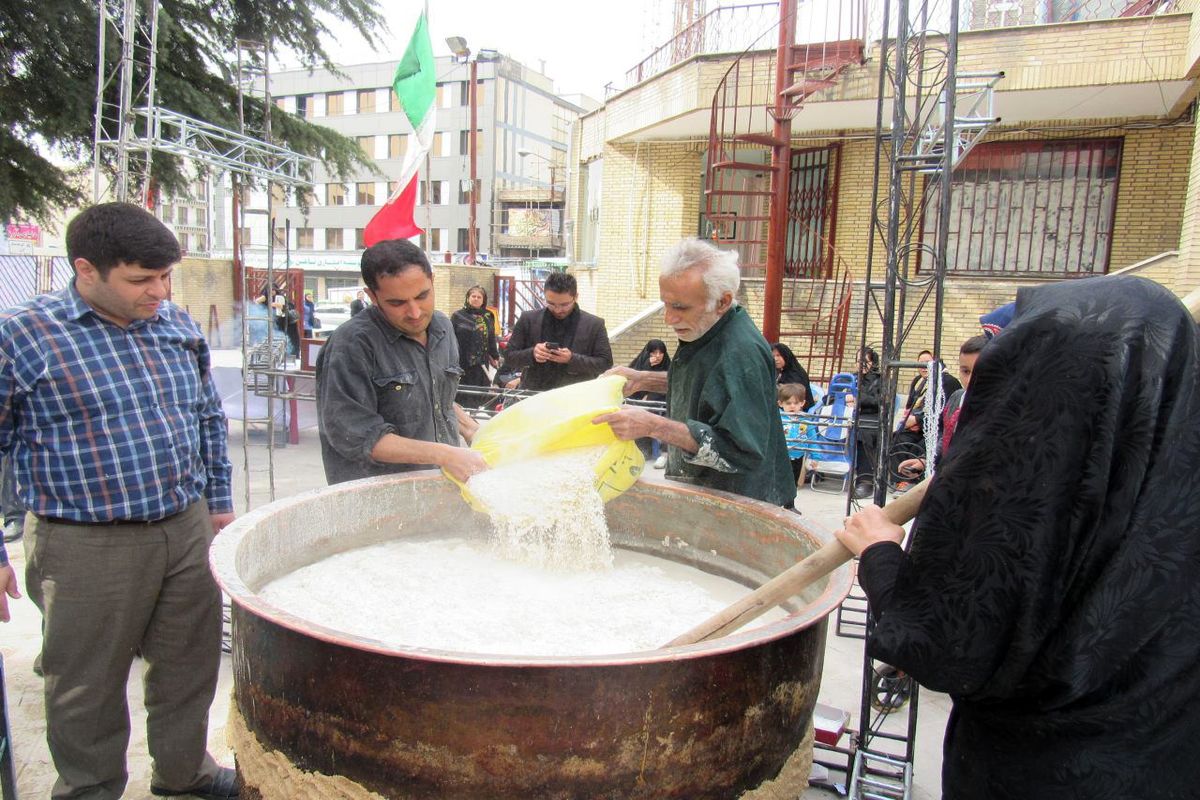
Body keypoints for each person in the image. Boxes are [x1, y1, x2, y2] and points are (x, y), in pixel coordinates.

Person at [834, 276, 1200, 799]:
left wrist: (879, 554)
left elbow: (944, 644)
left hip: (1046, 769)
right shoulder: (1166, 464)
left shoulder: (1027, 489)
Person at [0, 202, 238, 800]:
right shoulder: (23, 337)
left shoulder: (174, 324)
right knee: (86, 683)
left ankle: (186, 775)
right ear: (86, 269)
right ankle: (90, 788)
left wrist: (217, 502)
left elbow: (207, 415)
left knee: (188, 664)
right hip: (84, 543)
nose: (158, 290)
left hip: (183, 528)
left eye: (165, 277)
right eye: (140, 280)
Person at [594, 238, 795, 507]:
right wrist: (643, 379)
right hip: (709, 494)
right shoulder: (708, 329)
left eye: (680, 307)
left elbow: (741, 451)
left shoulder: (741, 354)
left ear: (722, 301)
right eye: (665, 304)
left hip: (745, 505)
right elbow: (710, 387)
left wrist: (654, 425)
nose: (668, 318)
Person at [315, 239, 485, 485]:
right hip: (377, 503)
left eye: (422, 296)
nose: (415, 313)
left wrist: (472, 430)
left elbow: (437, 399)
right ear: (372, 296)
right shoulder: (351, 345)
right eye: (397, 303)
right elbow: (355, 435)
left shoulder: (443, 328)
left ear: (432, 281)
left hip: (439, 493)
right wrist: (445, 454)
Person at [501, 271, 613, 391]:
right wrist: (532, 353)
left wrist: (572, 359)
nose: (558, 310)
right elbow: (508, 356)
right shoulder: (528, 319)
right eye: (551, 303)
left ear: (576, 297)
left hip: (576, 397)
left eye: (564, 304)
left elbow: (605, 363)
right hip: (534, 396)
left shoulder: (594, 324)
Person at [897, 334, 987, 479]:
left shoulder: (1003, 407)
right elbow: (946, 435)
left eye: (979, 370)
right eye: (965, 371)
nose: (971, 379)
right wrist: (926, 460)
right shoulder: (957, 398)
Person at [450, 285, 500, 407]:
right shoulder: (458, 316)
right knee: (463, 394)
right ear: (468, 298)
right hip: (462, 361)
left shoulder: (488, 316)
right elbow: (451, 338)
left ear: (483, 300)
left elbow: (491, 337)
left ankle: (476, 418)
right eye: (473, 296)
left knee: (479, 393)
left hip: (481, 363)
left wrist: (495, 356)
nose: (476, 299)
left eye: (479, 297)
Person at [627, 339, 671, 467]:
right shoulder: (641, 365)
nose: (657, 356)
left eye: (660, 352)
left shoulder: (668, 366)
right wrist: (648, 365)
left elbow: (669, 387)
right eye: (653, 353)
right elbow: (634, 386)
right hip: (641, 404)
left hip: (661, 404)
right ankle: (642, 449)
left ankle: (664, 454)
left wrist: (651, 395)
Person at [852, 346, 883, 499]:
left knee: (864, 432)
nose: (861, 364)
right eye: (858, 361)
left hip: (870, 417)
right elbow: (830, 396)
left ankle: (865, 480)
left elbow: (881, 401)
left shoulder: (879, 380)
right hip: (848, 415)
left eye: (866, 361)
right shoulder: (850, 378)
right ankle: (819, 469)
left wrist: (859, 400)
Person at [778, 383, 808, 487]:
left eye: (796, 403)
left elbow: (813, 437)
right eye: (788, 403)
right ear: (780, 403)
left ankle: (790, 503)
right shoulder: (778, 418)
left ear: (802, 403)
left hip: (798, 455)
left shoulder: (805, 419)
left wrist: (815, 456)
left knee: (793, 482)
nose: (792, 406)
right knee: (780, 480)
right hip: (781, 454)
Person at [771, 342, 814, 409]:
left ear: (786, 356)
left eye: (779, 355)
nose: (776, 359)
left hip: (797, 411)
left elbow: (793, 397)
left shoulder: (796, 374)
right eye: (773, 356)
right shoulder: (779, 371)